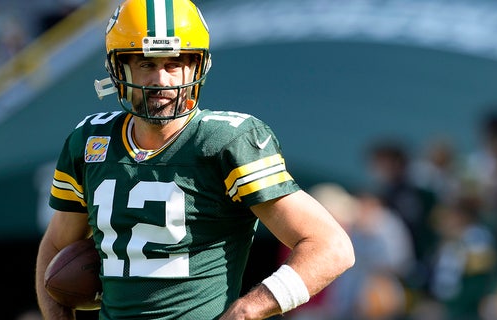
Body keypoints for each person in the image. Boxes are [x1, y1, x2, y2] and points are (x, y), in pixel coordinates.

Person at [34, 1, 355, 319]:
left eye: (173, 64)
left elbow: (330, 246)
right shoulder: (90, 140)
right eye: (146, 64)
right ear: (119, 70)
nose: (161, 80)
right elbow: (54, 246)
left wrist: (249, 308)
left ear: (196, 68)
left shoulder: (225, 141)